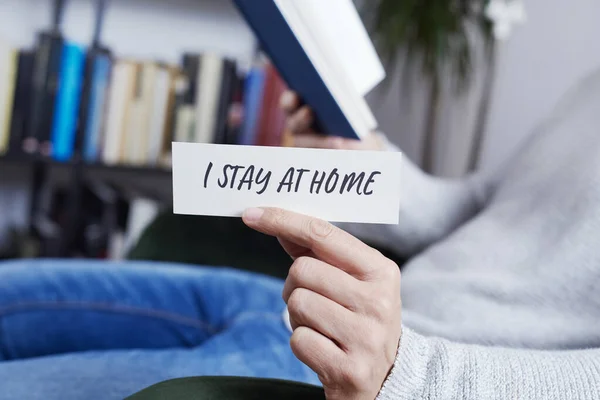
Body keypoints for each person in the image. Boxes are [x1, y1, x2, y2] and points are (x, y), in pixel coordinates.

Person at [1, 68, 600, 399]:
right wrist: (355, 163)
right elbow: (472, 207)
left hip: (371, 360)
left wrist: (408, 370)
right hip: (297, 299)